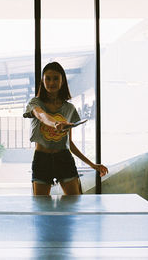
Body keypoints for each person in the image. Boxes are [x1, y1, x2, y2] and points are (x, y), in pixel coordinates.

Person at [25, 62, 108, 196]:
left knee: (74, 203)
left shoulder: (69, 109)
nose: (52, 82)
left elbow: (68, 143)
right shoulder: (35, 103)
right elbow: (41, 115)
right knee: (41, 207)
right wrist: (56, 124)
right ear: (42, 80)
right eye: (48, 78)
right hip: (42, 160)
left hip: (64, 158)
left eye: (56, 78)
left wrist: (92, 165)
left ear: (62, 80)